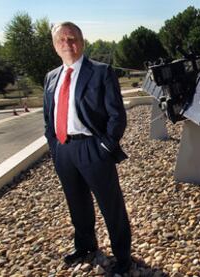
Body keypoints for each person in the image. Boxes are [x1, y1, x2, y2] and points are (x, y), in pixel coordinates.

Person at [43, 21, 131, 276]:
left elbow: (117, 115)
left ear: (81, 42)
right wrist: (54, 145)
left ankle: (123, 256)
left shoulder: (101, 72)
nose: (67, 44)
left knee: (111, 206)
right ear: (55, 46)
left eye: (72, 39)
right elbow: (49, 117)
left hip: (93, 149)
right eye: (62, 40)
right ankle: (85, 246)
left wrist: (105, 145)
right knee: (76, 203)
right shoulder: (51, 77)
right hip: (64, 150)